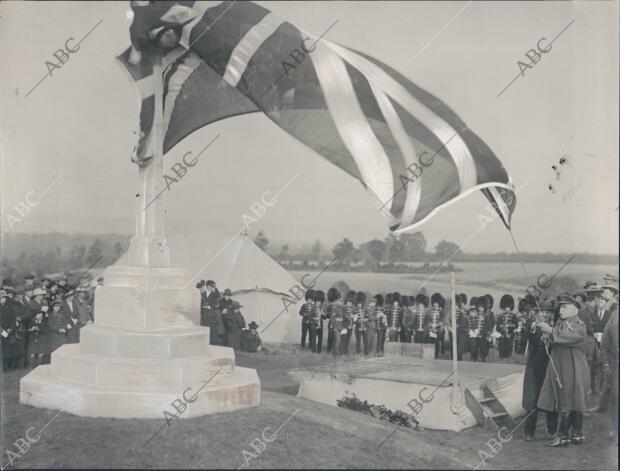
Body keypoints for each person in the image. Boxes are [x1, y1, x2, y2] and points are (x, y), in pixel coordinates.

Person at [537, 295, 590, 447]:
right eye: (560, 307)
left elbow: (573, 338)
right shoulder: (561, 324)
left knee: (570, 398)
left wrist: (551, 331)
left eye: (564, 307)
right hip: (560, 366)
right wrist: (547, 337)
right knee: (564, 398)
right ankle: (570, 434)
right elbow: (558, 340)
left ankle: (565, 436)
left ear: (574, 309)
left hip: (574, 368)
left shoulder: (580, 324)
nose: (560, 309)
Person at [522, 306, 558, 441]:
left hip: (550, 366)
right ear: (538, 313)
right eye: (543, 311)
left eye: (548, 312)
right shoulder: (534, 327)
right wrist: (532, 329)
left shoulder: (555, 328)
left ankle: (552, 430)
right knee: (532, 399)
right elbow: (528, 339)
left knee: (551, 398)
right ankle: (529, 432)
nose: (545, 314)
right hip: (534, 368)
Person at [600, 309, 618, 439]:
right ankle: (616, 428)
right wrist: (606, 364)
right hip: (615, 366)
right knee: (616, 396)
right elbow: (604, 347)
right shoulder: (612, 324)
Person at [199, 280, 224, 346]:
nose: (211, 288)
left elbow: (219, 296)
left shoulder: (214, 294)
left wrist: (215, 288)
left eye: (212, 286)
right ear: (207, 286)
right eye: (210, 286)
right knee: (205, 329)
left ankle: (212, 344)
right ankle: (205, 344)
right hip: (205, 315)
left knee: (212, 330)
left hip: (212, 315)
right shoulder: (203, 294)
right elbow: (200, 304)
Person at [496, 294, 517, 359]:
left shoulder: (514, 316)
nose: (507, 309)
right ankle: (501, 356)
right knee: (502, 345)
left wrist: (509, 326)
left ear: (511, 307)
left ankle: (508, 357)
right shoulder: (501, 316)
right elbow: (498, 324)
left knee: (509, 345)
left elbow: (515, 324)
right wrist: (500, 326)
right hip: (502, 333)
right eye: (506, 307)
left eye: (509, 307)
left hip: (510, 333)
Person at [327, 288, 344, 356]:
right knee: (337, 340)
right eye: (340, 301)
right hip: (336, 326)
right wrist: (335, 327)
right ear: (337, 301)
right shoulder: (335, 308)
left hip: (340, 326)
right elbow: (332, 318)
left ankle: (334, 352)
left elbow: (342, 318)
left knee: (336, 340)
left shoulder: (341, 308)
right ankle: (335, 353)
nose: (341, 302)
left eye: (342, 301)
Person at [429, 293, 444, 357]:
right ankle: (431, 354)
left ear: (439, 304)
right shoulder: (430, 311)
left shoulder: (442, 312)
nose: (435, 305)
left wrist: (436, 325)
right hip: (431, 328)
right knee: (431, 341)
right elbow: (428, 319)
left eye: (436, 303)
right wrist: (430, 324)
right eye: (434, 303)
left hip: (438, 329)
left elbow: (442, 321)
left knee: (437, 342)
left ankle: (436, 354)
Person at [455, 293, 470, 360]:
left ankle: (460, 355)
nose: (462, 304)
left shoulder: (467, 311)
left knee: (461, 343)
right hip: (457, 328)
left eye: (463, 303)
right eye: (461, 303)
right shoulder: (457, 310)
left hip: (463, 329)